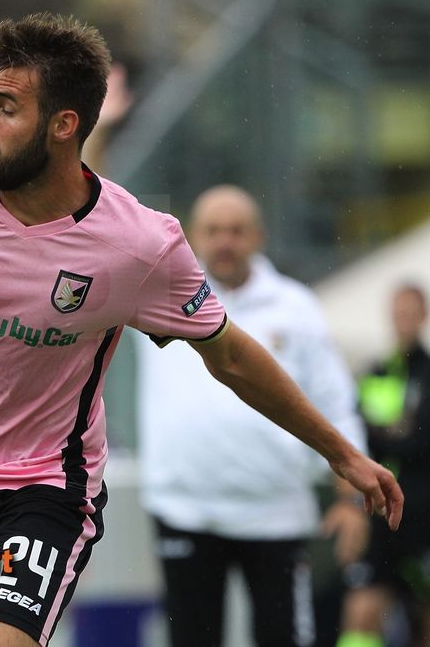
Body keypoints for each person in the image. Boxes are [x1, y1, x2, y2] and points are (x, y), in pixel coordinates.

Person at [0, 13, 404, 647]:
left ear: (64, 126)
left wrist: (340, 452)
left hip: (43, 489)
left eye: (7, 108)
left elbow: (229, 356)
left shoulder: (139, 246)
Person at [135, 185, 369, 647]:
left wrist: (351, 500)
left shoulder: (296, 306)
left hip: (276, 514)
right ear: (192, 235)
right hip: (185, 511)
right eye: (213, 230)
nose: (225, 241)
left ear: (258, 236)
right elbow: (91, 214)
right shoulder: (156, 294)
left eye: (237, 231)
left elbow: (335, 403)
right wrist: (95, 135)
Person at [339, 284, 430, 647]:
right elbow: (356, 437)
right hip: (379, 512)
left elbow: (419, 442)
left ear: (422, 316)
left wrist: (388, 435)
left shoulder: (426, 372)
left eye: (410, 313)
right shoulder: (376, 371)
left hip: (423, 513)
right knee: (361, 610)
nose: (403, 321)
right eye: (398, 313)